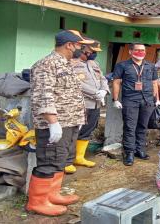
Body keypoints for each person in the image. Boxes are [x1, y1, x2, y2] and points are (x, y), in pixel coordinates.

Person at [27, 30, 93, 216]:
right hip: (54, 124)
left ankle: (52, 194)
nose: (83, 49)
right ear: (69, 45)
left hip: (69, 122)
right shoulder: (46, 64)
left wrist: (78, 118)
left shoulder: (66, 64)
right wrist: (52, 122)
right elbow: (43, 95)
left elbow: (69, 93)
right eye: (81, 45)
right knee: (49, 161)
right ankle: (37, 202)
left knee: (60, 160)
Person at [112, 43, 160, 166]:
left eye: (142, 50)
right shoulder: (122, 65)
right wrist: (115, 99)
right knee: (130, 127)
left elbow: (155, 83)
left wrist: (157, 99)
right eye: (137, 50)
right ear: (130, 52)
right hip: (130, 100)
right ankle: (129, 152)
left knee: (143, 127)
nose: (140, 52)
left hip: (148, 100)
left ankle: (140, 150)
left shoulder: (151, 66)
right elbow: (116, 82)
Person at [66, 40, 109, 173]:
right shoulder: (71, 64)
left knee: (87, 131)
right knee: (72, 132)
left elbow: (103, 79)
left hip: (95, 104)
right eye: (91, 52)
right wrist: (94, 92)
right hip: (80, 103)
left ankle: (79, 157)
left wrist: (104, 90)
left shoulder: (94, 63)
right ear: (83, 50)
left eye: (95, 52)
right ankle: (67, 161)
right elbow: (76, 82)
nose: (93, 54)